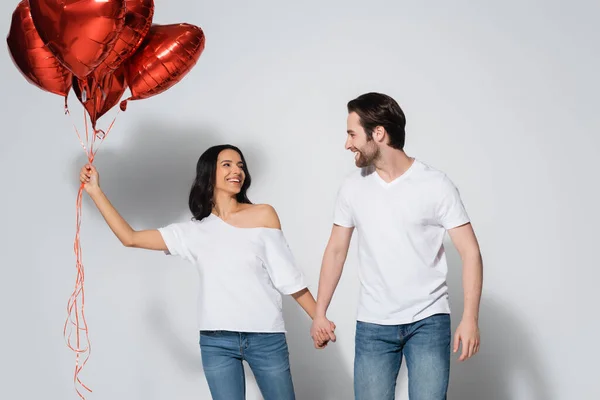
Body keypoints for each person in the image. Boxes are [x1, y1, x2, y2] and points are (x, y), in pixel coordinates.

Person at [79, 144, 332, 400]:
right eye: (227, 164)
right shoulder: (193, 232)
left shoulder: (263, 215)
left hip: (265, 338)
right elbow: (130, 237)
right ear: (209, 173)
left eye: (241, 165)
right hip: (216, 342)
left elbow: (288, 277)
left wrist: (318, 317)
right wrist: (95, 191)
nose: (237, 171)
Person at [310, 93, 484, 400]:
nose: (347, 144)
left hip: (428, 321)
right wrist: (319, 312)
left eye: (352, 134)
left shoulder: (436, 185)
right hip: (373, 325)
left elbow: (469, 251)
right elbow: (336, 249)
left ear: (378, 133)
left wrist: (470, 319)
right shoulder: (352, 187)